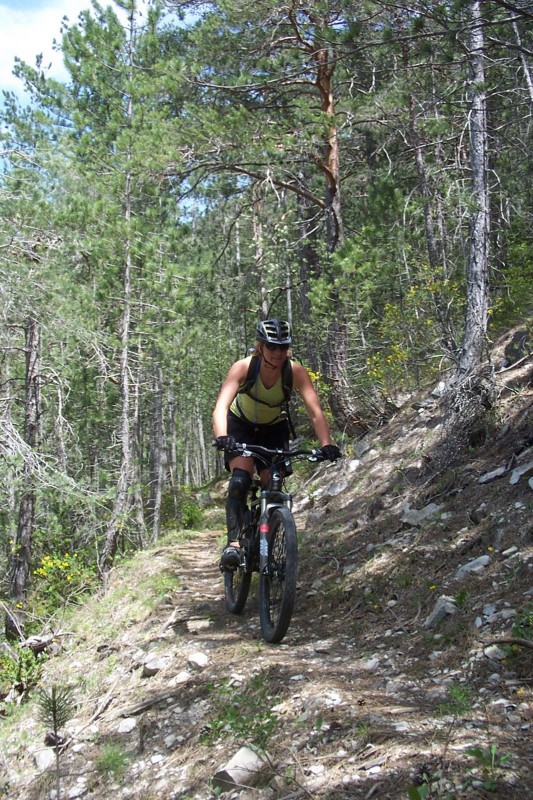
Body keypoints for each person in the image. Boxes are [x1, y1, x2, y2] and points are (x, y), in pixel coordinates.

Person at [212, 318, 341, 571]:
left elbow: (315, 412)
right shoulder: (243, 368)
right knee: (240, 480)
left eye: (283, 347)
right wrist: (222, 436)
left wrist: (327, 444)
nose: (278, 353)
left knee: (274, 487)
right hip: (240, 426)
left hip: (274, 429)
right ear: (261, 346)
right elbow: (220, 407)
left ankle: (269, 546)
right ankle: (234, 545)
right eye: (272, 347)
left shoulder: (294, 372)